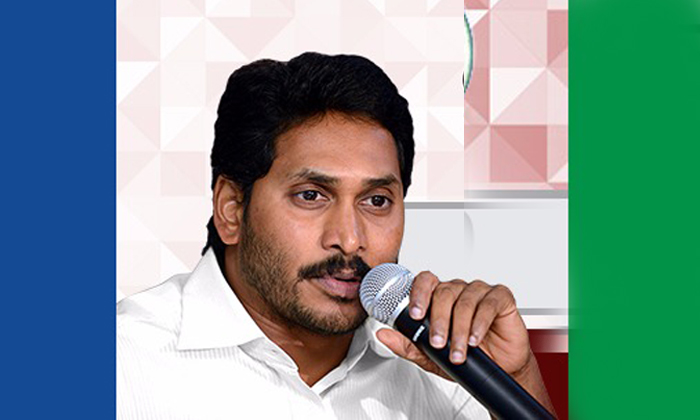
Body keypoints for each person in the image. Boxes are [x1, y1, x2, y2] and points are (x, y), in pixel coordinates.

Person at [117, 52, 555, 419]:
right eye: (311, 195)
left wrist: (513, 384)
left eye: (376, 201)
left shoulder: (446, 368)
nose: (349, 239)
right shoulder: (121, 363)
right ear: (231, 209)